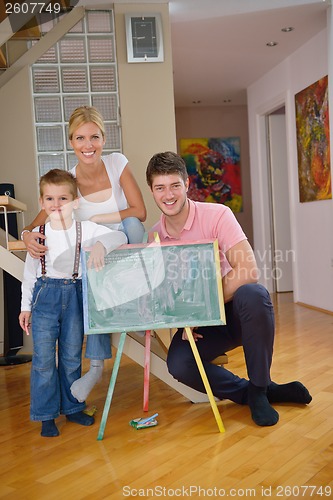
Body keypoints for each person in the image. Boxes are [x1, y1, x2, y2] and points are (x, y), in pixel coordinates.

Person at [145, 151, 312, 427]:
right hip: (201, 325)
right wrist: (183, 318)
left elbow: (249, 270)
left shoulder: (218, 214)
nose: (169, 194)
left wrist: (201, 307)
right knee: (178, 364)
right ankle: (255, 393)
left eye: (175, 185)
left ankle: (260, 388)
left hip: (233, 308)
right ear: (151, 191)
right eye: (160, 188)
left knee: (254, 293)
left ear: (187, 184)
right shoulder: (153, 237)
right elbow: (164, 295)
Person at [21, 106, 146, 403]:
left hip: (123, 247)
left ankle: (137, 296)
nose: (88, 145)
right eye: (80, 138)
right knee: (93, 276)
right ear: (71, 142)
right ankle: (96, 368)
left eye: (94, 137)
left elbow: (139, 213)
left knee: (131, 225)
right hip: (96, 263)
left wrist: (98, 221)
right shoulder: (69, 181)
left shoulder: (117, 163)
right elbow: (41, 220)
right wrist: (27, 235)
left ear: (104, 138)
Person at [19, 169, 127, 437]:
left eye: (63, 198)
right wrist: (25, 307)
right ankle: (46, 414)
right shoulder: (38, 234)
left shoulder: (86, 229)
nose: (57, 205)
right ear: (42, 203)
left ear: (75, 201)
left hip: (76, 297)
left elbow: (121, 236)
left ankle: (73, 407)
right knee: (43, 359)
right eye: (50, 199)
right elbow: (30, 274)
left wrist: (101, 245)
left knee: (70, 357)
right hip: (45, 297)